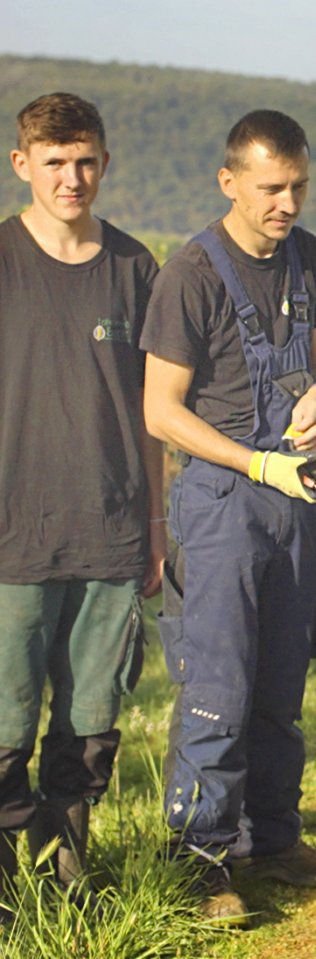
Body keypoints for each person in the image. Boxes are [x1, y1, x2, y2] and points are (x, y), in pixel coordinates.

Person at [141, 110, 316, 920]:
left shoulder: (308, 260)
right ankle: (197, 856)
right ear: (229, 181)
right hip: (221, 502)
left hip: (294, 504)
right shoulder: (190, 274)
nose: (286, 202)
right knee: (218, 684)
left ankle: (271, 836)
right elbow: (161, 410)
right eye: (270, 188)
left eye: (298, 185)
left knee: (282, 677)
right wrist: (255, 458)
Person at [0, 94, 163, 896]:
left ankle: (67, 887)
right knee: (3, 731)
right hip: (12, 540)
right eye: (56, 162)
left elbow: (154, 415)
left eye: (86, 160)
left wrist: (157, 529)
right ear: (22, 163)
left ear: (105, 161)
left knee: (88, 728)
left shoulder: (135, 269)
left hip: (111, 534)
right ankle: (7, 896)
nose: (73, 178)